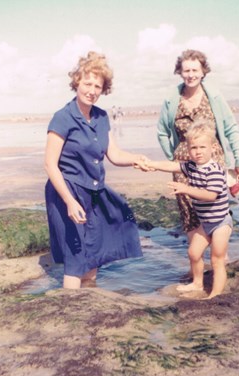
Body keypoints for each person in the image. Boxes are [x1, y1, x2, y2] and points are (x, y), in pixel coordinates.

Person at [44, 51, 148, 289]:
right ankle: (71, 310)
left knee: (94, 253)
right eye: (87, 83)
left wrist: (137, 159)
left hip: (94, 192)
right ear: (76, 83)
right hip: (66, 192)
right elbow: (50, 164)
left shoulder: (101, 117)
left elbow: (114, 154)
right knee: (76, 257)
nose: (92, 90)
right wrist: (70, 202)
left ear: (104, 89)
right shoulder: (63, 118)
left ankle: (89, 303)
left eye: (97, 86)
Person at [156, 49, 239, 259]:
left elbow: (231, 127)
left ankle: (220, 258)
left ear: (203, 71)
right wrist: (173, 156)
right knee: (189, 211)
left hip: (213, 161)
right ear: (180, 71)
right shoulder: (172, 99)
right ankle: (196, 264)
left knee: (216, 206)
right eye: (186, 70)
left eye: (195, 70)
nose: (191, 74)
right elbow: (161, 132)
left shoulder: (213, 96)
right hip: (184, 164)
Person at [146, 120, 232, 299]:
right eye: (193, 148)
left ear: (213, 147)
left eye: (202, 147)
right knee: (193, 252)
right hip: (206, 222)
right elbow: (172, 165)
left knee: (217, 259)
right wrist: (151, 165)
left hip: (221, 222)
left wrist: (186, 189)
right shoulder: (191, 166)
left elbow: (211, 195)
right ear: (188, 148)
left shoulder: (214, 170)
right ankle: (197, 283)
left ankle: (215, 294)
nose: (198, 152)